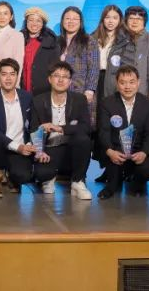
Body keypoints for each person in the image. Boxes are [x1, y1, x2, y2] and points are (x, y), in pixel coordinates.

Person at [30, 62, 93, 199]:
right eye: (56, 76)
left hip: (72, 146)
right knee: (42, 174)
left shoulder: (79, 99)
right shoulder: (38, 100)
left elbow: (86, 127)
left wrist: (61, 128)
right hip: (49, 148)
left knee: (83, 139)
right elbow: (33, 129)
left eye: (65, 77)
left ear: (70, 81)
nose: (60, 80)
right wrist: (40, 150)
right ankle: (49, 177)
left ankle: (78, 182)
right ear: (49, 79)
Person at [97, 66, 149, 199]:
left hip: (138, 150)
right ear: (117, 83)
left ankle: (137, 180)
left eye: (132, 82)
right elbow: (103, 131)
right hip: (116, 149)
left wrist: (144, 152)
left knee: (148, 170)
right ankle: (112, 181)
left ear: (138, 82)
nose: (127, 87)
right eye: (123, 82)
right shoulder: (107, 103)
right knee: (114, 183)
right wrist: (110, 151)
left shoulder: (148, 104)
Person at [0, 58, 35, 197]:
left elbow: (33, 125)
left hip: (19, 150)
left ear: (17, 76)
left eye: (12, 74)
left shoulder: (27, 97)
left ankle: (10, 175)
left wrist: (29, 144)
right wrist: (18, 147)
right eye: (4, 74)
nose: (8, 78)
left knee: (23, 176)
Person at [57, 6, 100, 107]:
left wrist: (90, 89)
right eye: (67, 18)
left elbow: (94, 68)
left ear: (80, 22)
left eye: (75, 19)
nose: (71, 21)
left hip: (81, 91)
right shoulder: (56, 41)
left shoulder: (89, 41)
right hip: (58, 90)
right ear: (62, 21)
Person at [20, 7, 60, 95]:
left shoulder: (51, 42)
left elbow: (55, 68)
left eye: (38, 21)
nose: (34, 24)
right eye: (31, 20)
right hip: (22, 89)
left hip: (43, 90)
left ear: (43, 24)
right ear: (26, 22)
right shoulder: (19, 39)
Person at [0, 1, 24, 90]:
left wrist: (14, 86)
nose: (2, 17)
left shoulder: (17, 35)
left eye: (5, 13)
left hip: (9, 84)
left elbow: (19, 63)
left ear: (11, 17)